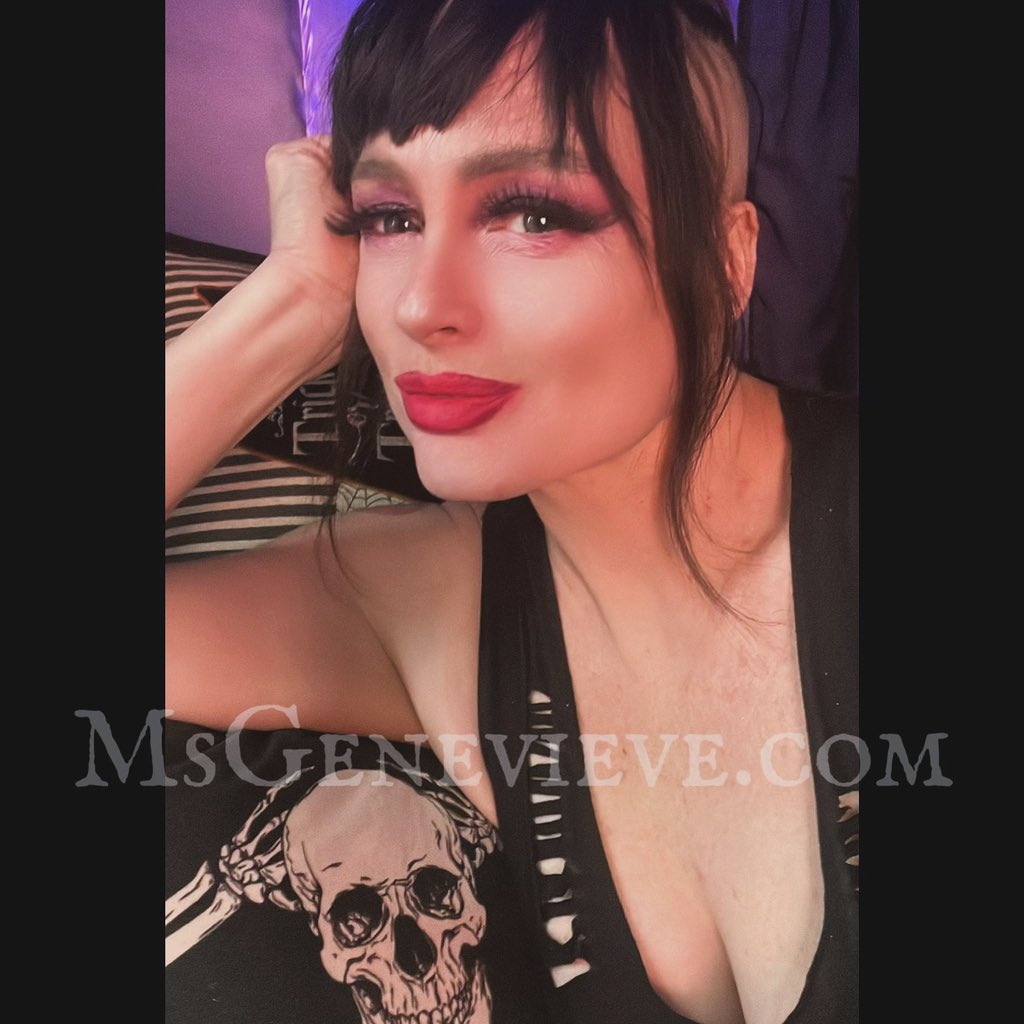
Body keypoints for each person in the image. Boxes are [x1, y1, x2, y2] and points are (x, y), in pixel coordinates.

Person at [165, 1, 858, 1022]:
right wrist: (291, 299)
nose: (419, 304)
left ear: (726, 260)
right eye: (389, 217)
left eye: (532, 214)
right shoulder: (431, 604)